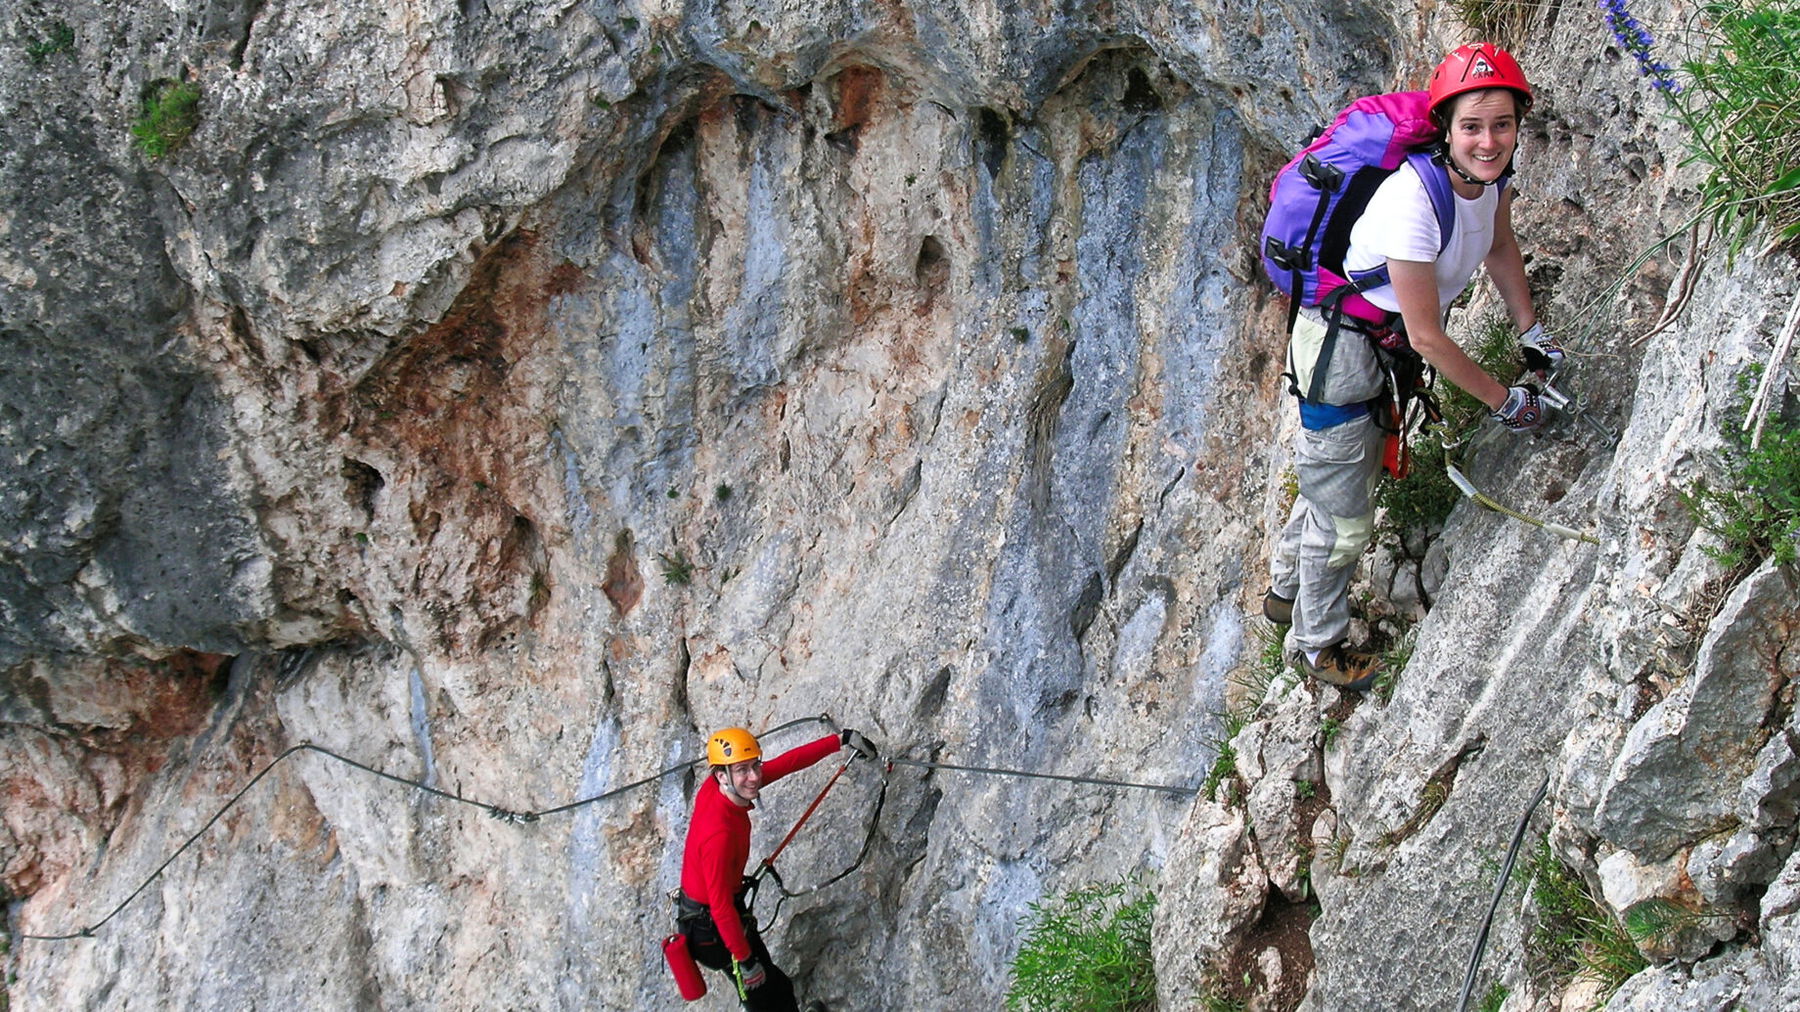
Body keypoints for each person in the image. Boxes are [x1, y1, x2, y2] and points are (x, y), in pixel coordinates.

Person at [1266, 43, 1562, 691]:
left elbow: (1501, 246)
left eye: (1503, 124)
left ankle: (1285, 592)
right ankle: (1315, 649)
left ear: (1519, 126)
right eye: (1473, 127)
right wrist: (1503, 399)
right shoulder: (1413, 205)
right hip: (1340, 354)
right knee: (1345, 519)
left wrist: (1530, 329)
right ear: (1446, 129)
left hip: (1381, 346)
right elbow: (1429, 337)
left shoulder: (1488, 182)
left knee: (1340, 477)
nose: (1489, 141)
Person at [674, 725, 878, 1010]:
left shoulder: (722, 786)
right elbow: (720, 907)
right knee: (768, 997)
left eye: (755, 765)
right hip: (714, 931)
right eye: (744, 770)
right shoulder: (718, 835)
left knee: (774, 989)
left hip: (712, 921)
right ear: (722, 775)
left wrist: (839, 741)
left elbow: (785, 765)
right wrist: (745, 962)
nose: (754, 776)